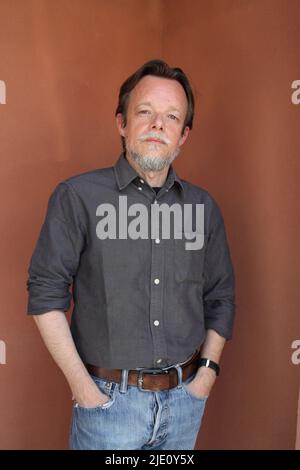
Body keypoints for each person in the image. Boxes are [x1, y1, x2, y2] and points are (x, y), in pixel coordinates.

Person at [26, 59, 236, 450]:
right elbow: (45, 296)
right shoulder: (78, 197)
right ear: (121, 122)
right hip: (108, 407)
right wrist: (84, 390)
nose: (159, 125)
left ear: (183, 135)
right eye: (145, 112)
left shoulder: (203, 208)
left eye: (172, 117)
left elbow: (221, 298)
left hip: (185, 403)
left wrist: (204, 378)